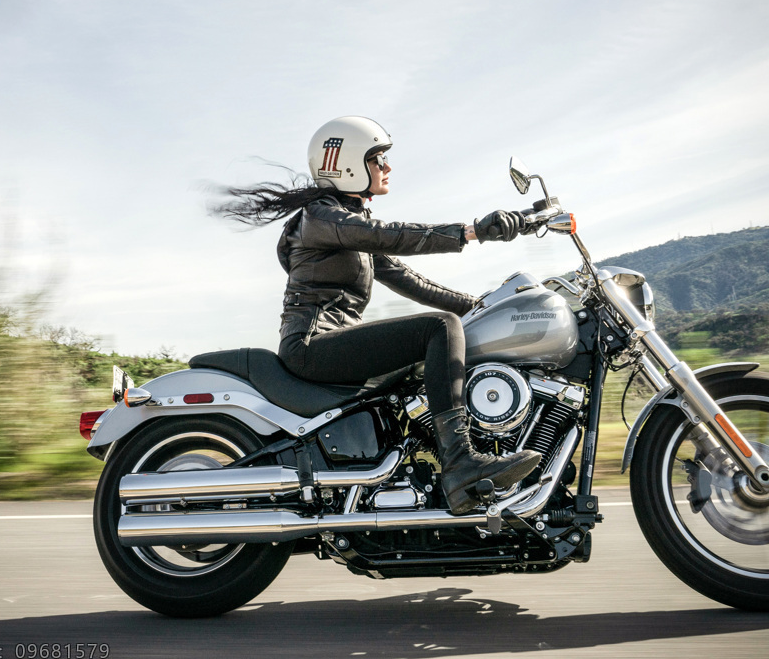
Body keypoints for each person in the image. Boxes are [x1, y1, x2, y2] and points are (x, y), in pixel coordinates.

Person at [217, 116, 540, 514]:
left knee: (440, 339)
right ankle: (460, 464)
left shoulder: (347, 225)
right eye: (378, 159)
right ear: (348, 164)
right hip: (312, 345)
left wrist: (483, 306)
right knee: (438, 328)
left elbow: (410, 281)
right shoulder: (323, 217)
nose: (387, 168)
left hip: (333, 340)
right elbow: (390, 234)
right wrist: (471, 231)